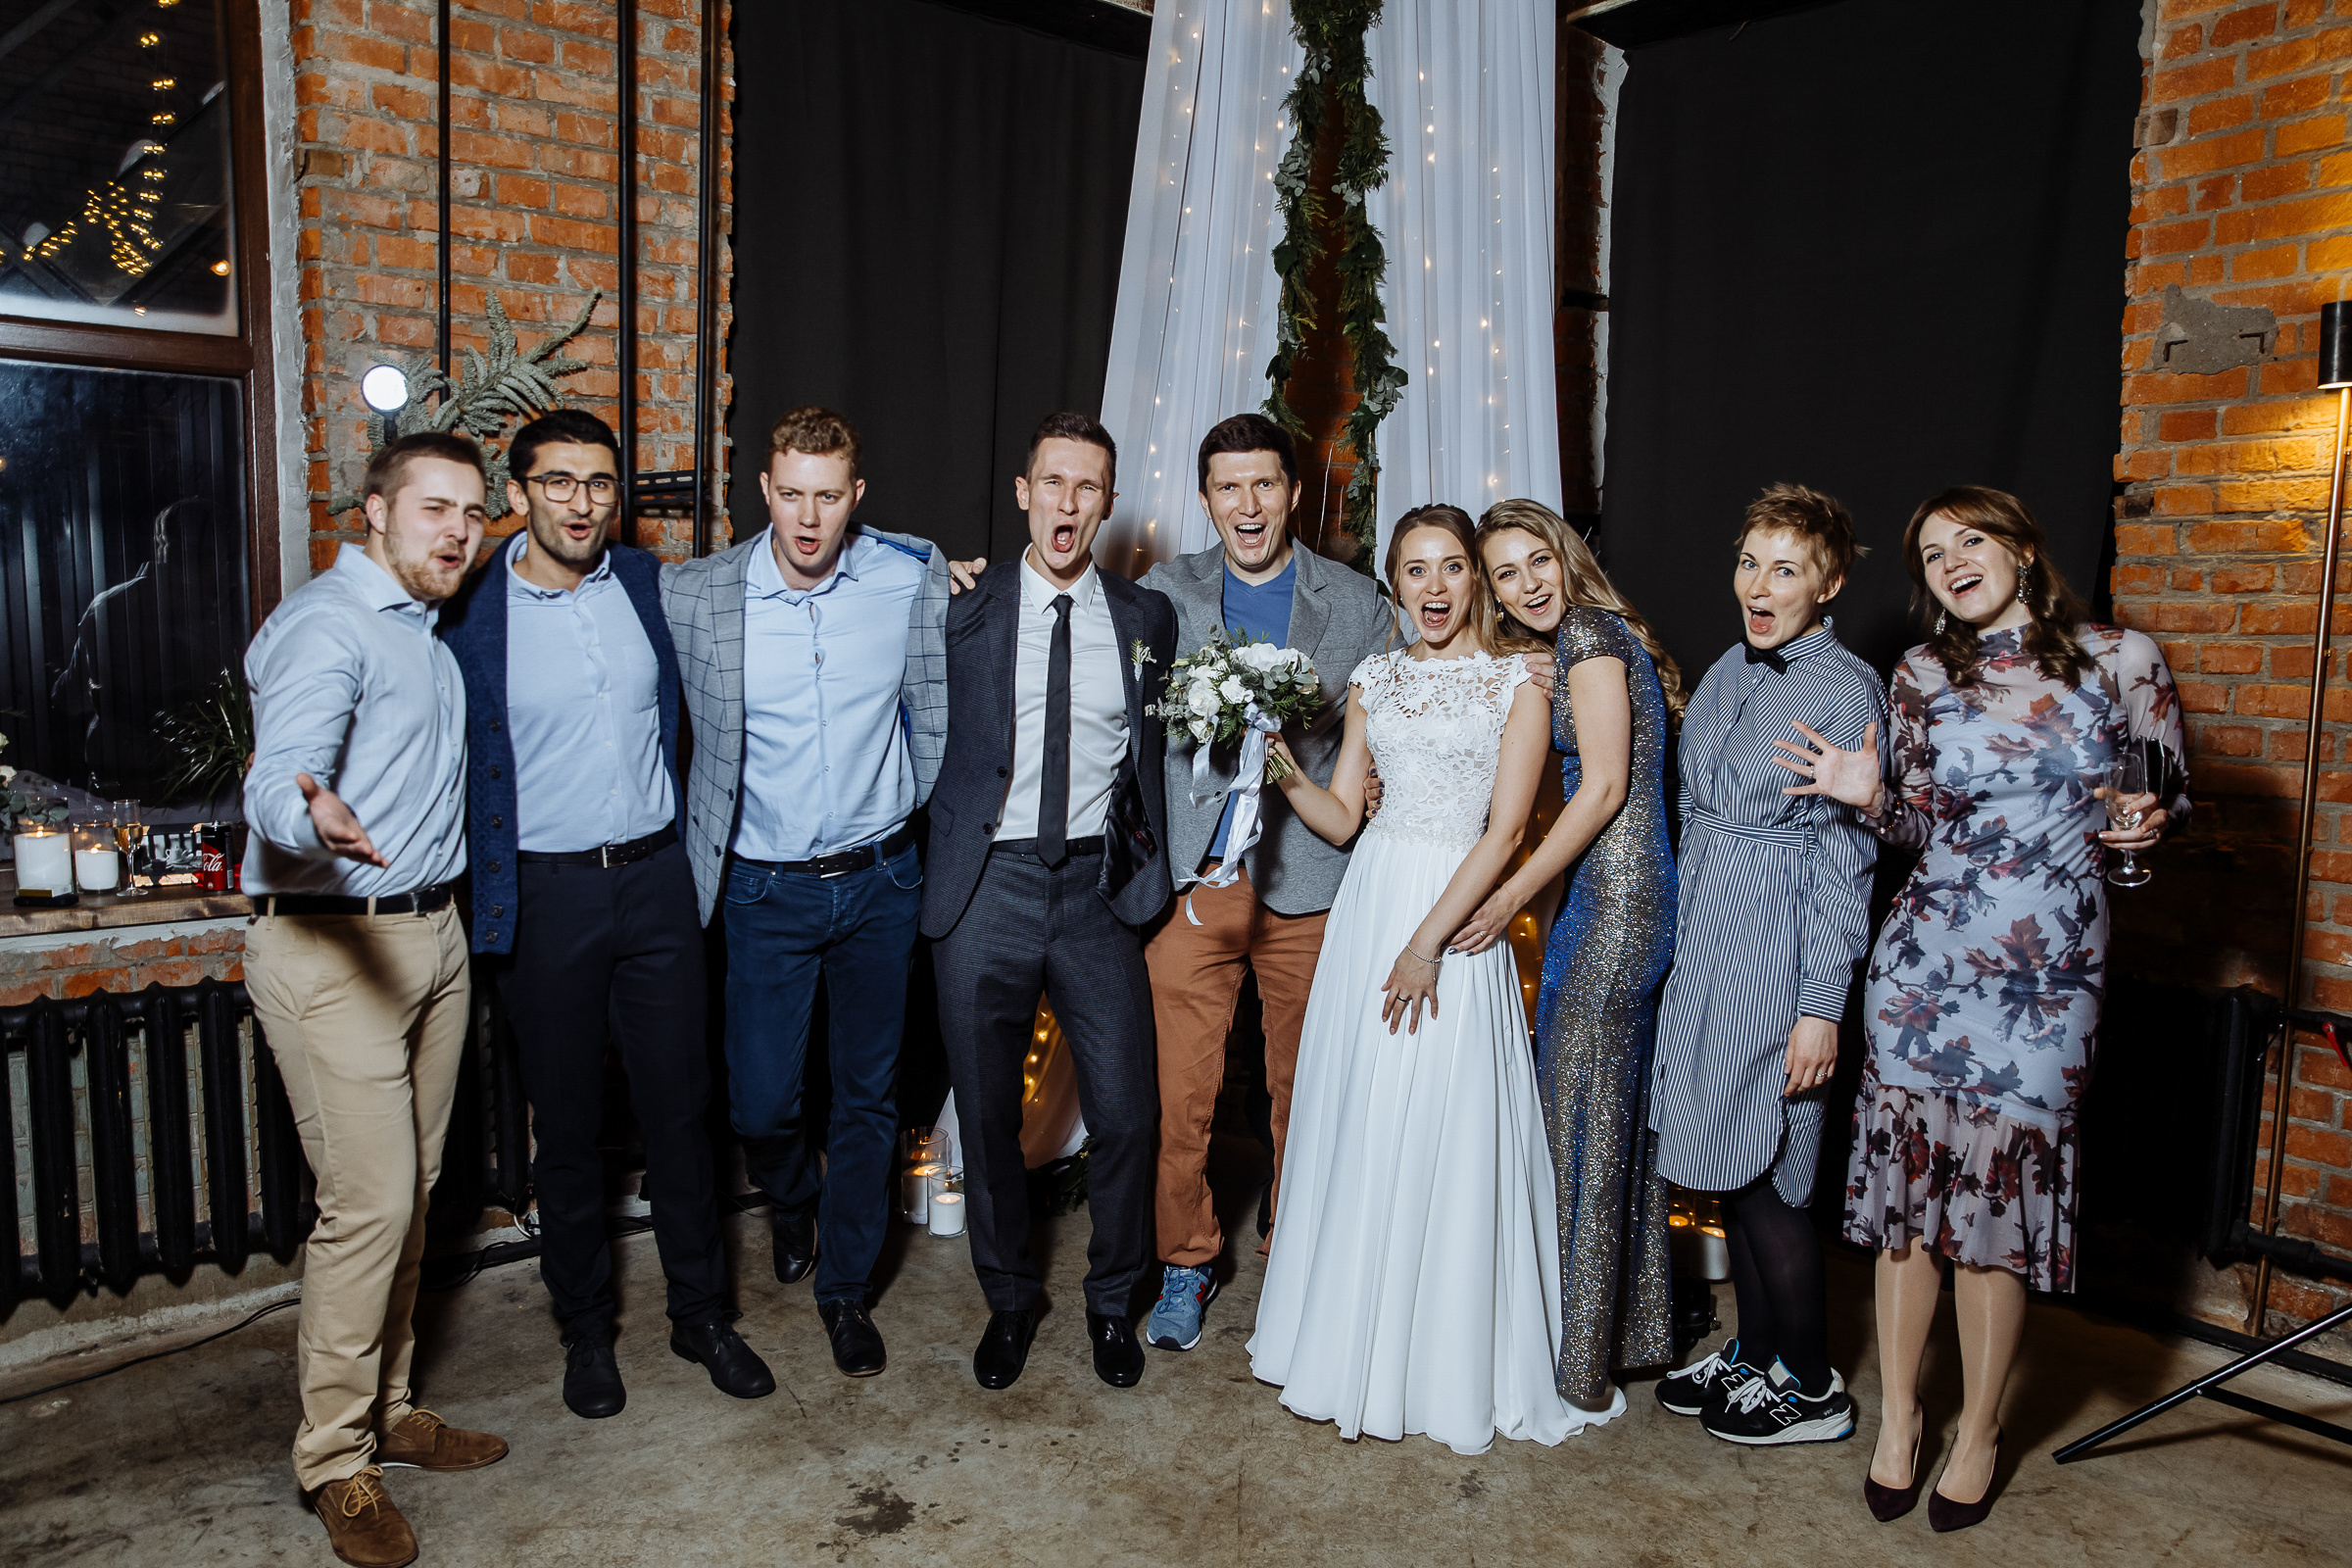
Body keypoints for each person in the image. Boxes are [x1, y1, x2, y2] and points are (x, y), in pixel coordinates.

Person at [1787, 485, 2187, 1531]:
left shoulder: (2122, 659)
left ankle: (1978, 1431)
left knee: (1996, 1217)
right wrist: (1862, 793)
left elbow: (2165, 797)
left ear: (2019, 544)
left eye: (1970, 540)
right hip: (1925, 963)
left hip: (2051, 974)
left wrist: (2147, 829)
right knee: (1909, 1208)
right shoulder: (1921, 675)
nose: (1951, 561)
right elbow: (1917, 827)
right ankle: (1903, 1420)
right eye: (1930, 553)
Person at [439, 410, 771, 1419]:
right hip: (545, 895)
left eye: (597, 483)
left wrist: (943, 571)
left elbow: (776, 567)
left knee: (683, 1112)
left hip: (657, 880)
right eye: (558, 482)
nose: (580, 502)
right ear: (519, 493)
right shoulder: (469, 611)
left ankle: (701, 1314)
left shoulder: (643, 584)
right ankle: (586, 1330)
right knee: (571, 1128)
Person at [1249, 505, 1593, 1455]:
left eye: (1451, 568)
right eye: (1414, 570)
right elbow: (1342, 819)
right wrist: (1274, 756)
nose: (1434, 588)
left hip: (1450, 915)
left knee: (1443, 1114)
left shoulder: (1516, 684)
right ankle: (1348, 1337)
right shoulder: (1375, 678)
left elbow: (1506, 831)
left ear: (1475, 581)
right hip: (1371, 903)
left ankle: (1434, 1353)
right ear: (1392, 585)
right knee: (1363, 1109)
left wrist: (1427, 942)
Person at [242, 431, 507, 1568]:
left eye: (471, 513)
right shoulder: (329, 625)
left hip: (426, 937)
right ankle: (335, 1460)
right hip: (328, 944)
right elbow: (278, 772)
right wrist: (311, 817)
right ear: (375, 513)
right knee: (371, 1206)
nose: (458, 529)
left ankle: (391, 1409)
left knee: (420, 1192)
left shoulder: (428, 639)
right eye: (434, 507)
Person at [661, 406, 952, 1380]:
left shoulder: (908, 577)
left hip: (881, 880)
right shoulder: (702, 594)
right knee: (760, 1104)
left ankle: (846, 1292)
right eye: (791, 494)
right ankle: (793, 1198)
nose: (809, 518)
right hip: (763, 892)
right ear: (764, 490)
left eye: (829, 497)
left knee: (868, 1100)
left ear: (855, 498)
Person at [921, 412, 1178, 1393]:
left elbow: (1154, 758)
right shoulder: (960, 603)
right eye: (1052, 483)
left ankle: (1113, 1301)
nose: (1068, 503)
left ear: (1106, 504)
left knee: (1127, 1113)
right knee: (987, 1117)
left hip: (1094, 890)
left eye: (1088, 487)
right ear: (1024, 490)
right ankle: (1010, 1298)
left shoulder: (1145, 618)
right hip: (985, 881)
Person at [1132, 413, 1396, 1352]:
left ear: (1293, 492)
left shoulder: (1360, 602)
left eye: (1264, 485)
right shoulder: (1165, 592)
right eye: (1227, 488)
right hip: (1198, 885)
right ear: (1207, 500)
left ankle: (1296, 1257)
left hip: (1311, 881)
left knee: (1307, 1092)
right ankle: (1187, 1264)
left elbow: (1398, 715)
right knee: (1181, 1097)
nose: (1248, 505)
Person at [1644, 484, 1882, 1447]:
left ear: (1826, 583)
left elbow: (1847, 856)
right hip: (1711, 933)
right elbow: (1699, 809)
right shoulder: (1732, 667)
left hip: (1778, 945)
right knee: (1727, 1159)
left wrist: (1822, 1004)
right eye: (1750, 561)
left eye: (1785, 568)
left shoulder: (1847, 688)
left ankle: (1814, 1382)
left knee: (1770, 1172)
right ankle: (1759, 1352)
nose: (1760, 583)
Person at [1446, 498, 1680, 1418]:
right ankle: (1628, 1330)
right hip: (1618, 896)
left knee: (1574, 1115)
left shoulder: (1588, 631)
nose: (1526, 583)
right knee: (1604, 1112)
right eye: (1504, 573)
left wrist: (1505, 901)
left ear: (1565, 554)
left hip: (1620, 905)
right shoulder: (1590, 636)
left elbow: (1605, 789)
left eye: (1536, 559)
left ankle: (1574, 1356)